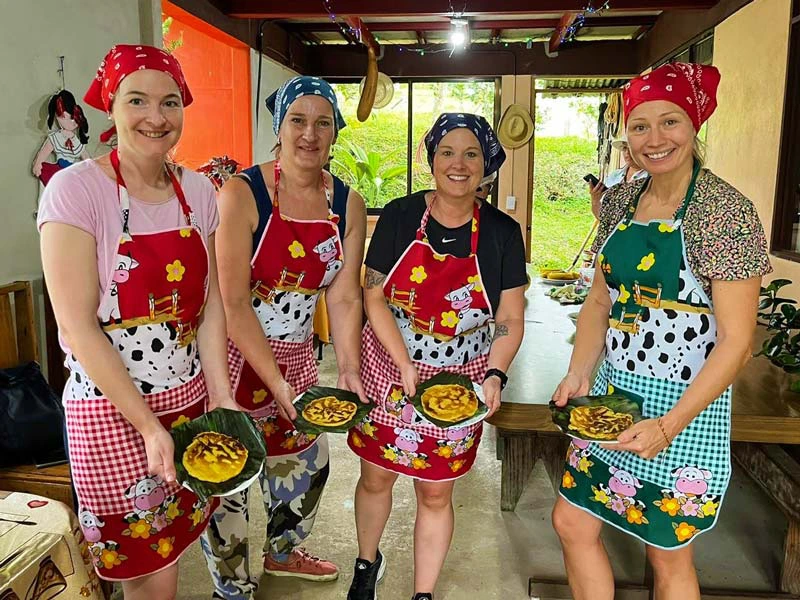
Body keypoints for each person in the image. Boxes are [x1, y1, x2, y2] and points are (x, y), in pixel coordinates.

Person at [551, 62, 772, 600]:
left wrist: (668, 425)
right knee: (573, 522)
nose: (654, 139)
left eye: (669, 122)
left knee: (666, 550)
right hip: (612, 395)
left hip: (682, 405)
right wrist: (580, 372)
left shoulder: (725, 212)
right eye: (640, 125)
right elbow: (600, 300)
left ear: (694, 126)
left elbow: (738, 341)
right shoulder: (623, 202)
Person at [38, 44, 236, 599]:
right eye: (138, 100)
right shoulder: (75, 191)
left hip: (187, 399)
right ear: (110, 107)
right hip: (110, 411)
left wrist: (219, 394)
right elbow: (77, 327)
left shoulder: (199, 192)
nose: (156, 116)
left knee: (169, 549)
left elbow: (212, 302)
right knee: (139, 565)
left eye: (170, 101)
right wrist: (148, 426)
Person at [347, 113, 527, 600]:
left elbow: (510, 316)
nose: (458, 164)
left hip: (460, 376)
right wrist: (404, 362)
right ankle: (367, 563)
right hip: (390, 364)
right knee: (377, 473)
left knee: (434, 489)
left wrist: (495, 373)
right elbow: (373, 294)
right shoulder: (401, 216)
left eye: (471, 154)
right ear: (431, 160)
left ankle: (422, 593)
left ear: (486, 164)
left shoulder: (502, 232)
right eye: (447, 152)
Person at [203, 75, 367, 598]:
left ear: (336, 132)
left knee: (305, 462)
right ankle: (232, 585)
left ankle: (283, 552)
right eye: (298, 120)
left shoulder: (347, 203)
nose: (310, 134)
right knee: (228, 474)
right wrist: (276, 385)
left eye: (323, 122)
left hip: (297, 354)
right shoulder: (243, 192)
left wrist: (346, 368)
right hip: (231, 356)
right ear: (280, 127)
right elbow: (231, 302)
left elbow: (342, 297)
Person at [32, 89, 91, 185]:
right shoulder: (56, 137)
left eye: (72, 118)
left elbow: (86, 158)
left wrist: (93, 170)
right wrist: (38, 163)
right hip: (57, 171)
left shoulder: (76, 141)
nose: (69, 122)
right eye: (63, 117)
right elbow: (45, 151)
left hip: (71, 173)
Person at [589, 134, 648, 219]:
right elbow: (601, 217)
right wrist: (595, 200)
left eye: (631, 148)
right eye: (624, 148)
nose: (627, 153)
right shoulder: (614, 176)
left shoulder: (652, 179)